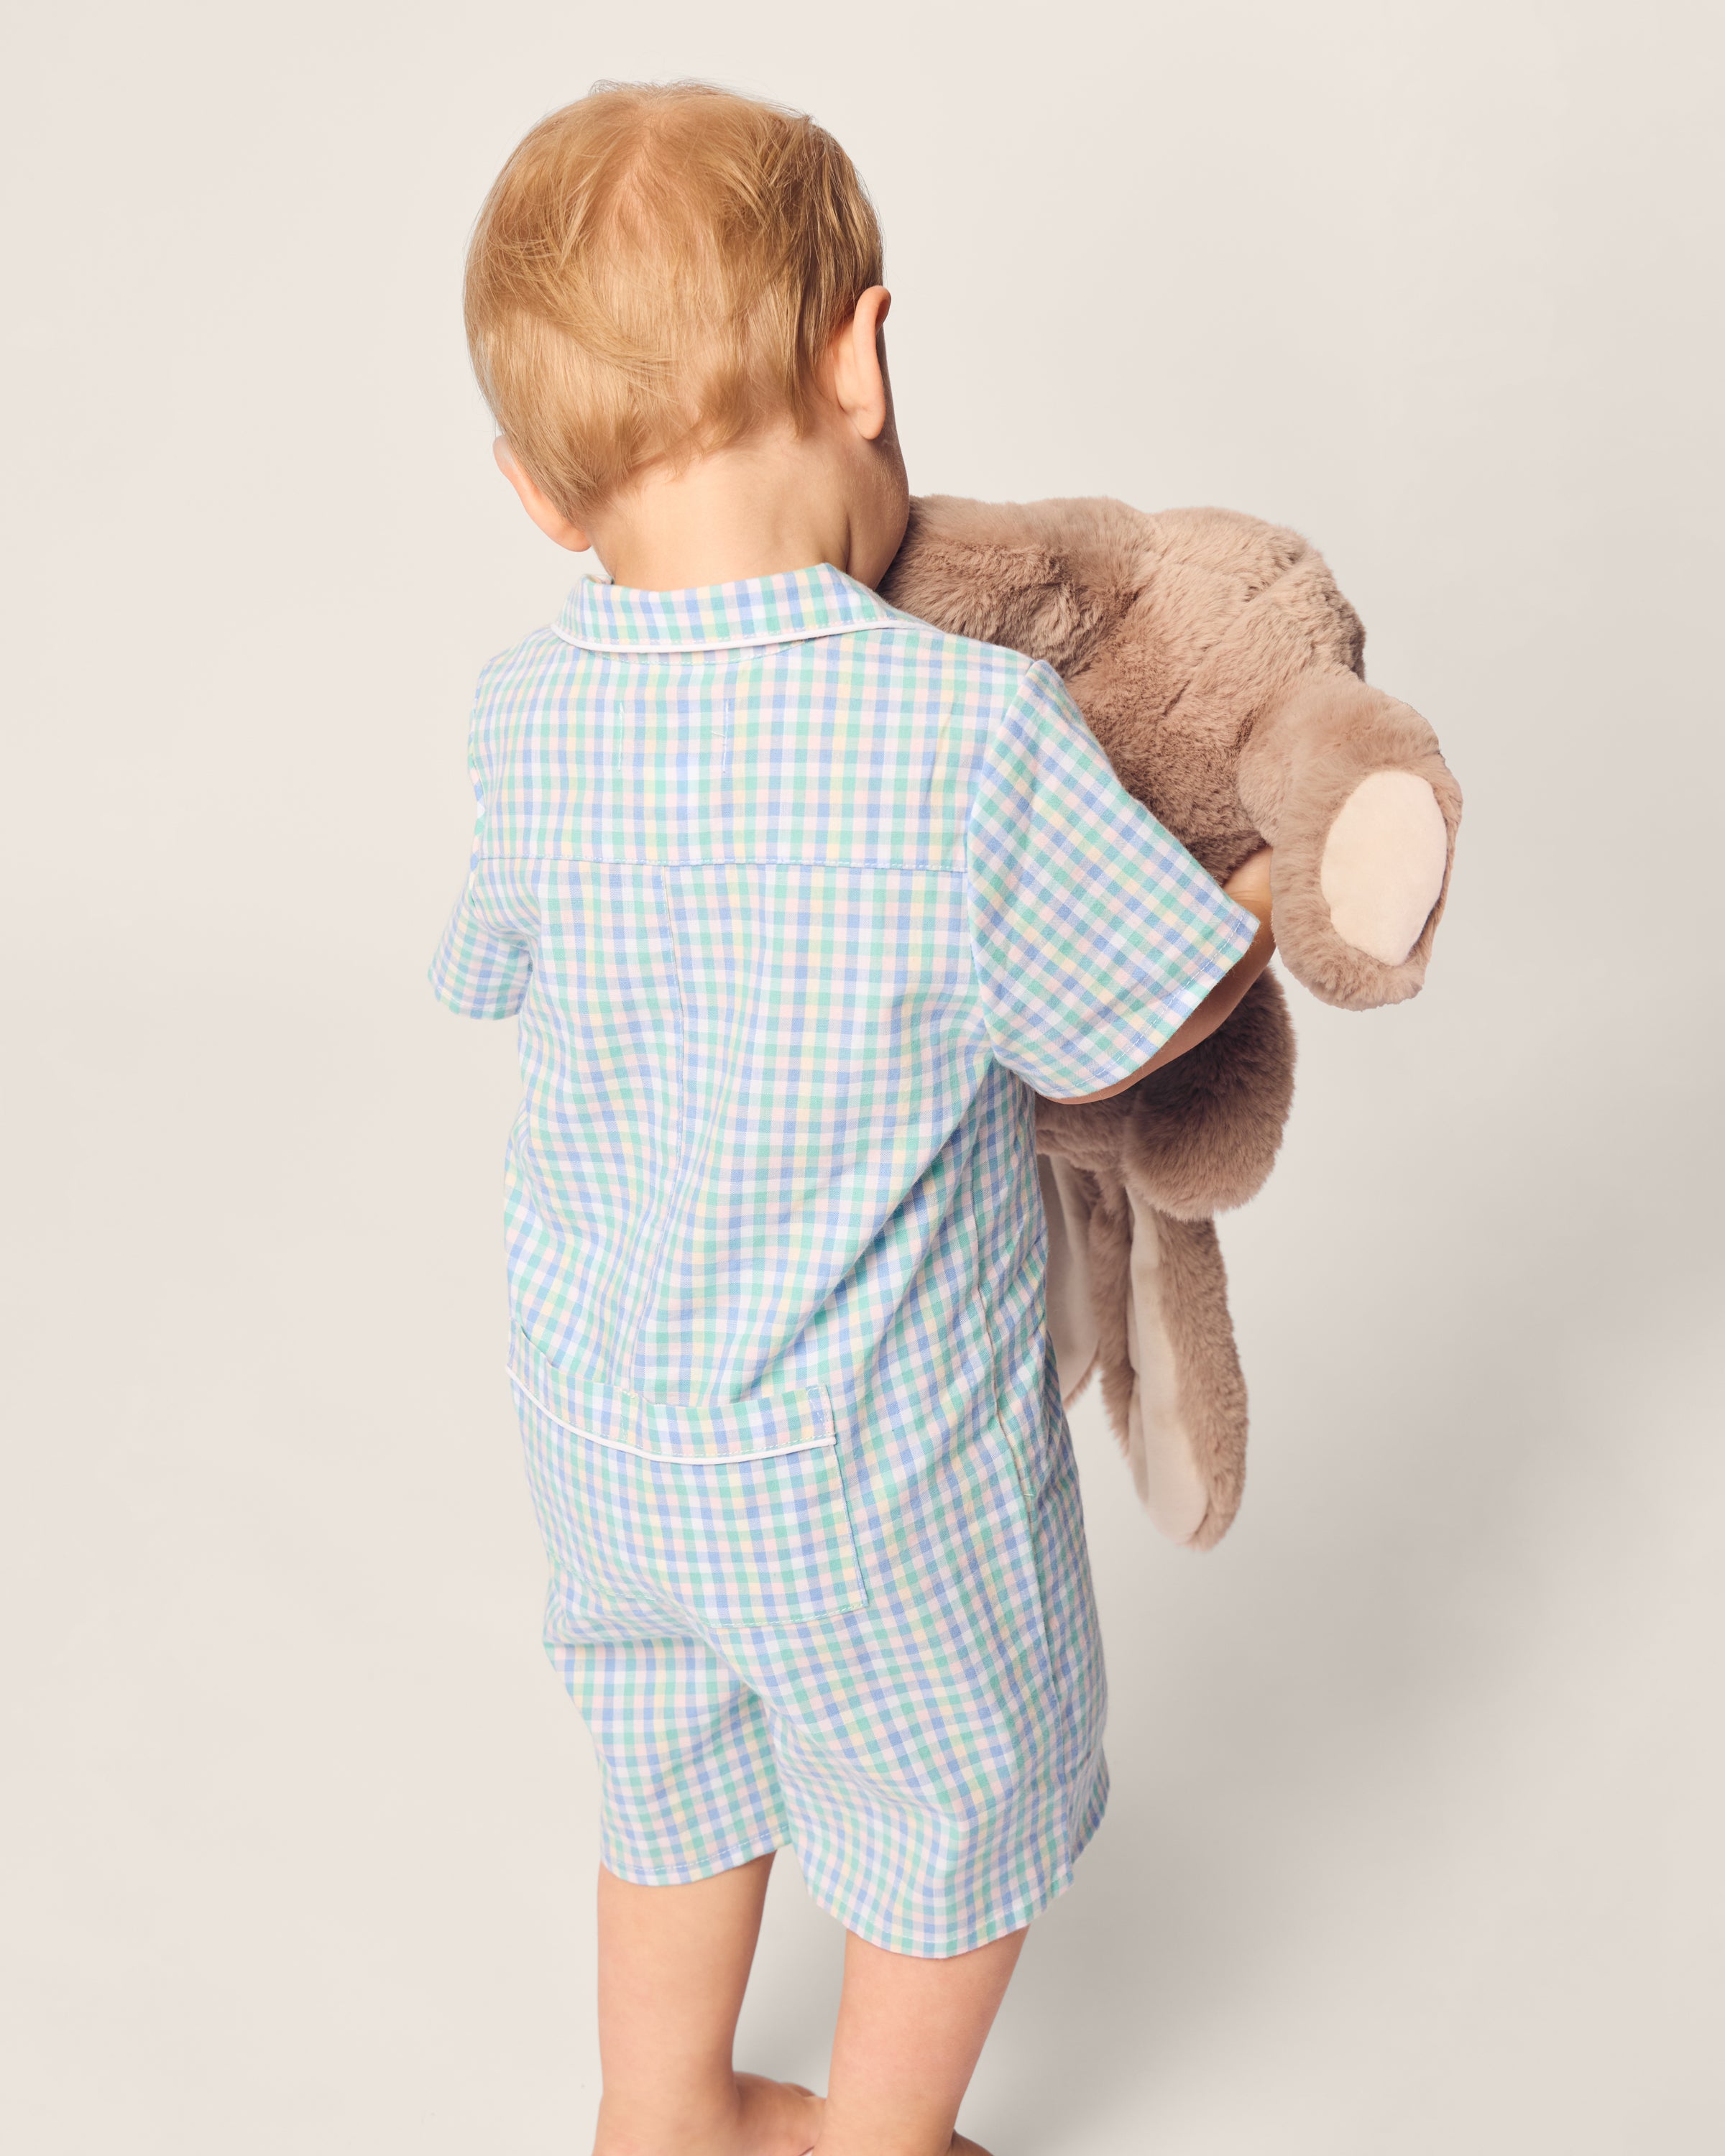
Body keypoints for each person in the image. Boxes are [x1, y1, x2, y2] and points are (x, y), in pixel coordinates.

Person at [430, 80, 1274, 2156]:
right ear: (862, 357)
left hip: (611, 1436)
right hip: (875, 1468)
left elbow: (495, 970)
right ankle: (874, 2142)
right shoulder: (967, 731)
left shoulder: (526, 714)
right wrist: (1251, 895)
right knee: (947, 1790)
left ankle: (663, 2113)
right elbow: (1132, 1026)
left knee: (675, 1757)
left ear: (541, 495)